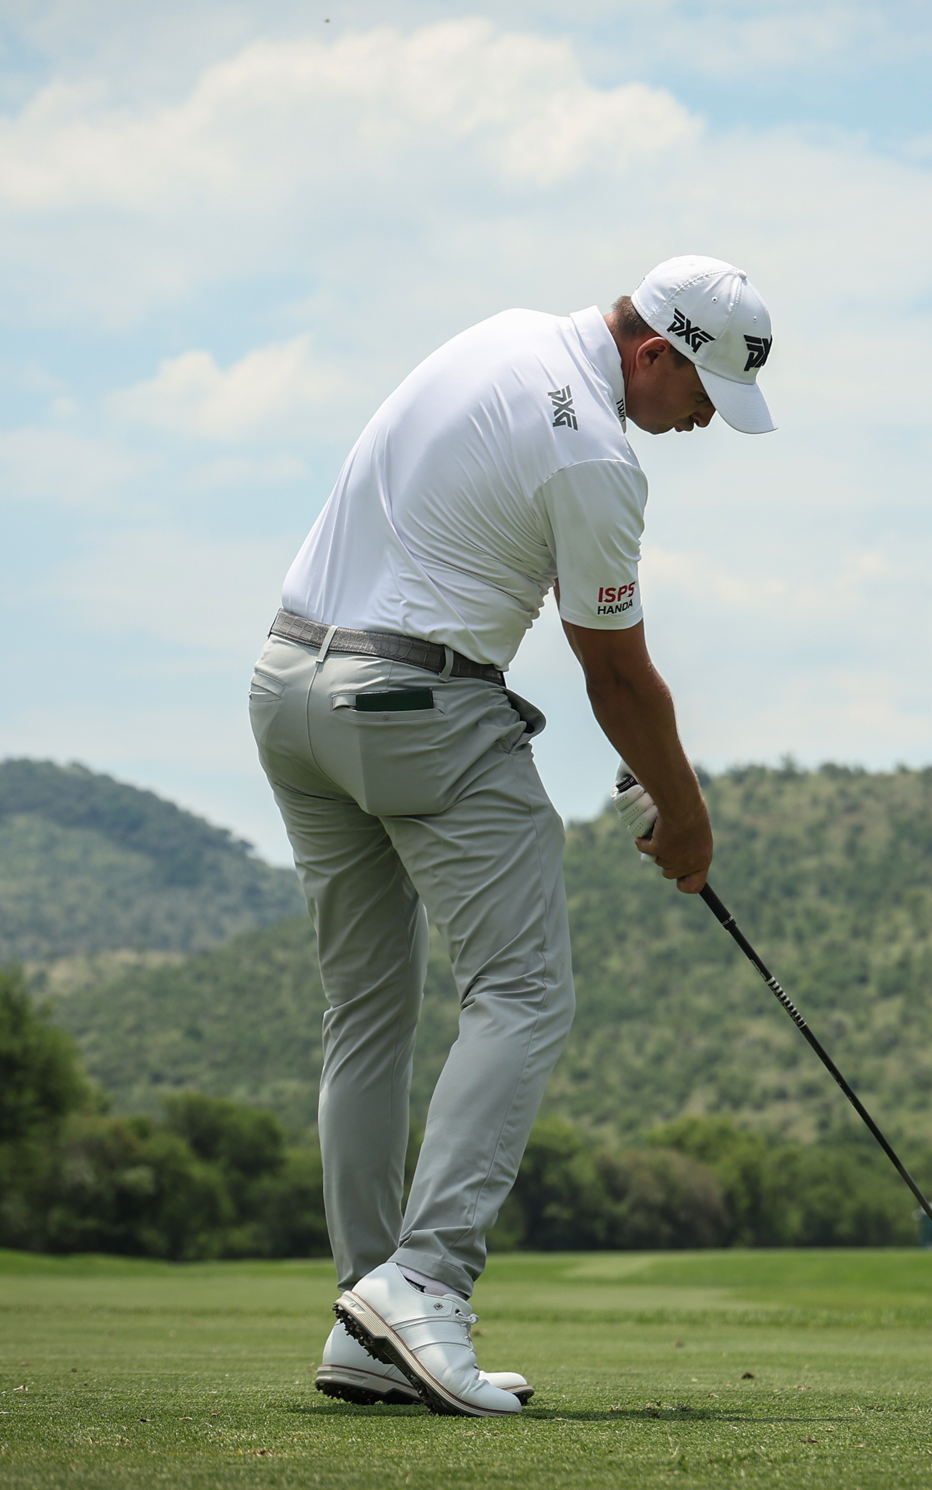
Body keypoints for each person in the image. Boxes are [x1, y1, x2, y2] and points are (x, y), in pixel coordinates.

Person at [249, 257, 777, 1417]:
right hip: (409, 705)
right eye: (700, 397)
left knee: (369, 1011)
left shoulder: (501, 334)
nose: (698, 422)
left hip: (288, 688)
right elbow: (619, 676)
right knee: (523, 992)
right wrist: (686, 816)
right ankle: (426, 1283)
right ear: (654, 353)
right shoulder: (596, 445)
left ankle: (366, 1317)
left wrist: (649, 770)